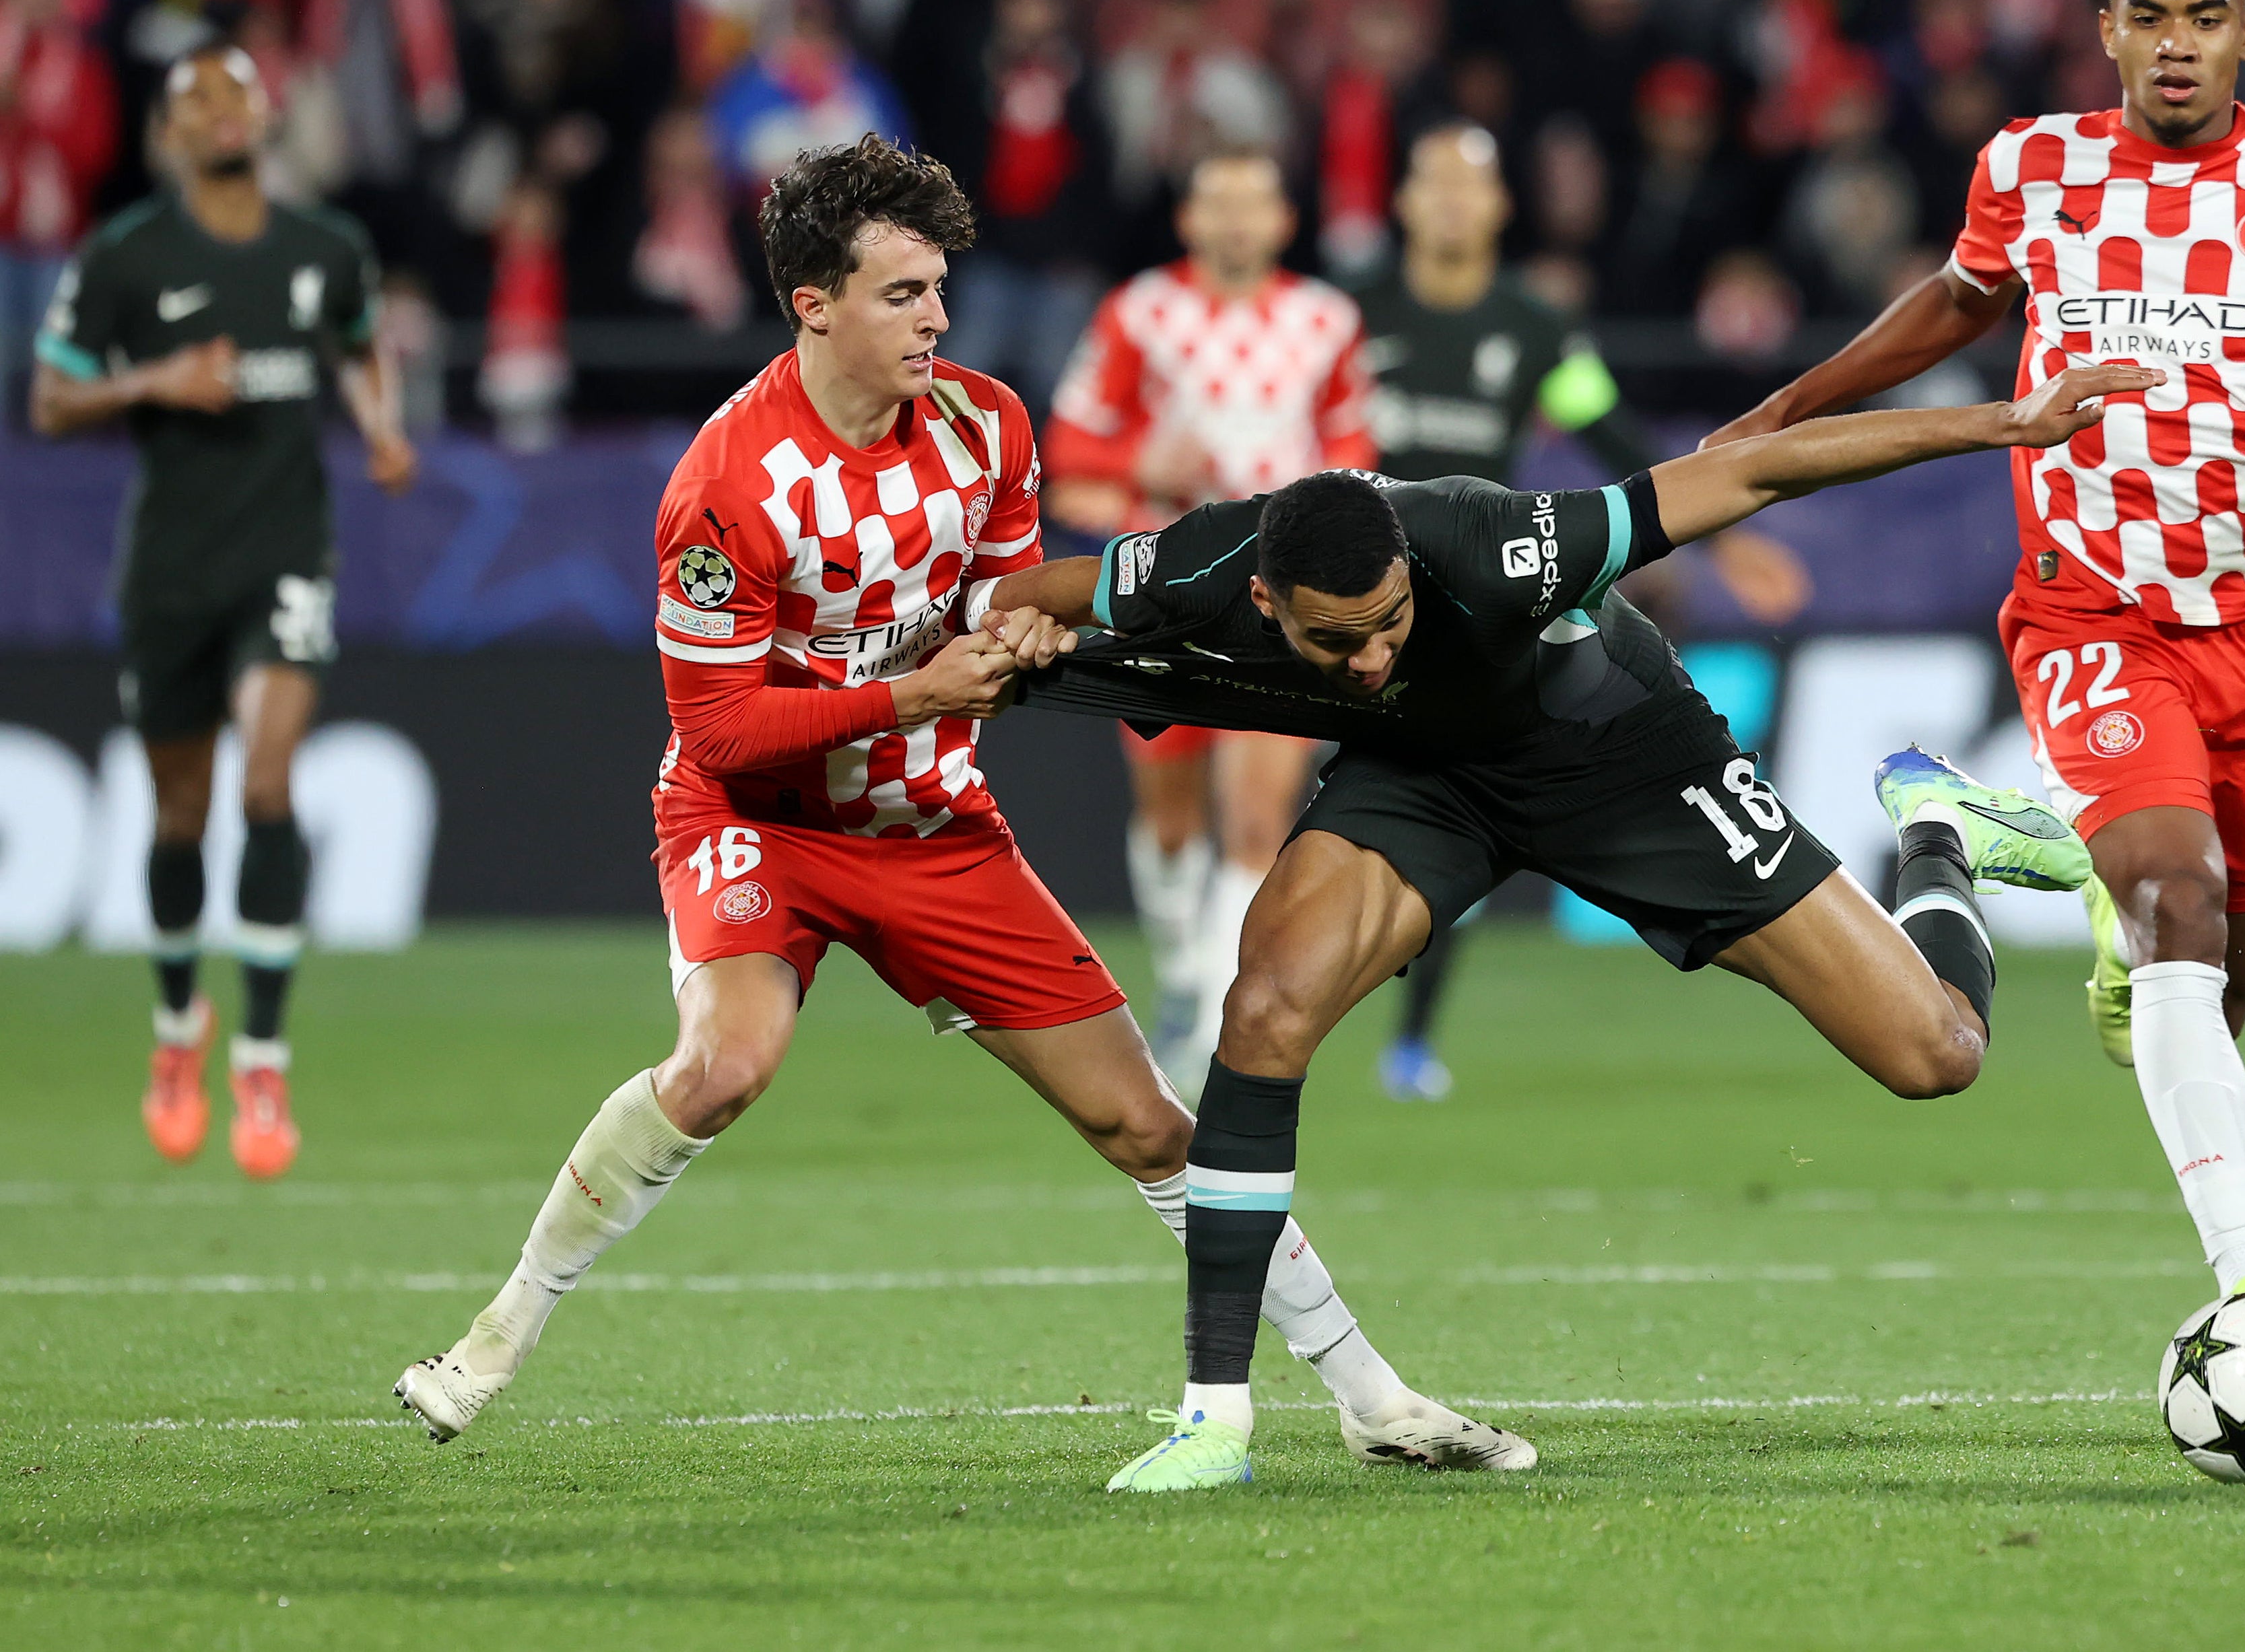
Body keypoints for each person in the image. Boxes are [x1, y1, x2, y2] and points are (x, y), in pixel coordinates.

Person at [391, 137, 1522, 1474]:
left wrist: (1028, 642)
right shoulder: (725, 483)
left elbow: (999, 598)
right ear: (812, 302)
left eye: (938, 289)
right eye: (900, 295)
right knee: (725, 1066)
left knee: (1150, 1123)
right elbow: (716, 728)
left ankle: (1368, 1396)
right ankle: (499, 1331)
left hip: (930, 828)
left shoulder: (987, 423)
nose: (937, 317)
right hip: (758, 821)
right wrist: (910, 699)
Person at [993, 362, 2166, 1488]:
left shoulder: (1497, 541)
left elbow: (1758, 471)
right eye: (1332, 642)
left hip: (1625, 759)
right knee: (1264, 1011)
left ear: (1407, 568)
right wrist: (1019, 632)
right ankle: (1216, 1414)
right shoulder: (1198, 563)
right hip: (1428, 776)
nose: (1368, 657)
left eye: (1387, 625)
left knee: (1936, 1054)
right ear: (1262, 600)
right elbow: (1030, 593)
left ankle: (1938, 826)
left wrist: (2008, 423)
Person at [1706, 0, 2245, 1313]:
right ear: (2104, 28)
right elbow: (1951, 303)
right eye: (2147, 17)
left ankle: (2033, 843)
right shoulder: (2032, 169)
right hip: (2088, 611)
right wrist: (1786, 411)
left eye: (2204, 17)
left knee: (2212, 997)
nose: (2175, 46)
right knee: (2177, 896)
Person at [1353, 121, 1811, 1100]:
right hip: (1346, 597)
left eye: (1467, 186)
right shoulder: (1349, 317)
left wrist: (1725, 537)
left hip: (1473, 605)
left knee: (1441, 807)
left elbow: (1613, 438)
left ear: (1497, 208)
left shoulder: (1531, 327)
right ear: (1402, 203)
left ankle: (1408, 1039)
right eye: (1430, 182)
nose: (1448, 202)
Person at [31, 40, 411, 1182]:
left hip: (286, 549)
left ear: (266, 110)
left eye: (237, 90)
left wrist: (381, 422)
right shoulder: (126, 257)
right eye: (196, 98)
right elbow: (51, 395)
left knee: (267, 781)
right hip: (172, 568)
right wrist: (151, 381)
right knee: (181, 813)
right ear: (170, 134)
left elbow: (358, 347)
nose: (221, 109)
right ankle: (176, 1031)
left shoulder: (327, 248)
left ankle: (260, 1052)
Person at [1042, 149, 1373, 1089]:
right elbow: (1070, 438)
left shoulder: (1326, 320)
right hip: (1168, 592)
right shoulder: (1139, 313)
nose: (1235, 221)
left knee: (1257, 816)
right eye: (1217, 202)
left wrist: (1322, 507)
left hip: (1278, 593)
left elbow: (1354, 440)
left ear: (1281, 221)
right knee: (1171, 819)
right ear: (1188, 221)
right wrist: (1144, 462)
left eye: (1253, 203)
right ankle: (1183, 975)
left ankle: (1212, 1027)